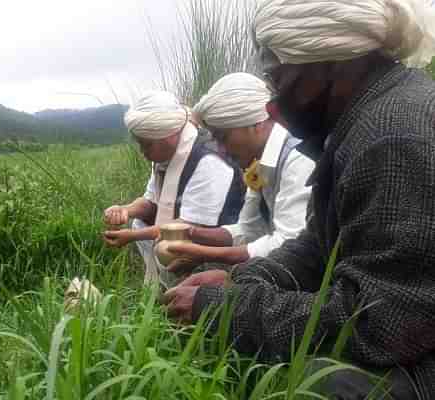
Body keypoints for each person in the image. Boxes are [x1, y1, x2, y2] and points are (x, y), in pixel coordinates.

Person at [163, 0, 435, 398]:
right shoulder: (368, 118)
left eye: (276, 80)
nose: (274, 103)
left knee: (323, 381)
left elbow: (381, 322)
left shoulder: (391, 136)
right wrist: (241, 282)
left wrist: (227, 312)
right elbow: (319, 246)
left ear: (328, 63)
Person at [162, 73, 314, 275]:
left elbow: (288, 244)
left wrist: (206, 254)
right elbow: (249, 230)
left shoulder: (298, 159)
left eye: (223, 137)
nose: (222, 149)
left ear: (256, 124)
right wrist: (191, 233)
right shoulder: (259, 163)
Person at [102, 91, 246, 290]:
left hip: (218, 244)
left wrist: (131, 237)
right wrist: (125, 210)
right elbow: (150, 201)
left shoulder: (208, 162)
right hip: (186, 230)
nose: (143, 153)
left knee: (156, 238)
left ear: (168, 136)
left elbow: (185, 227)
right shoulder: (165, 157)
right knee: (139, 222)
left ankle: (182, 292)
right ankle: (159, 286)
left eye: (146, 145)